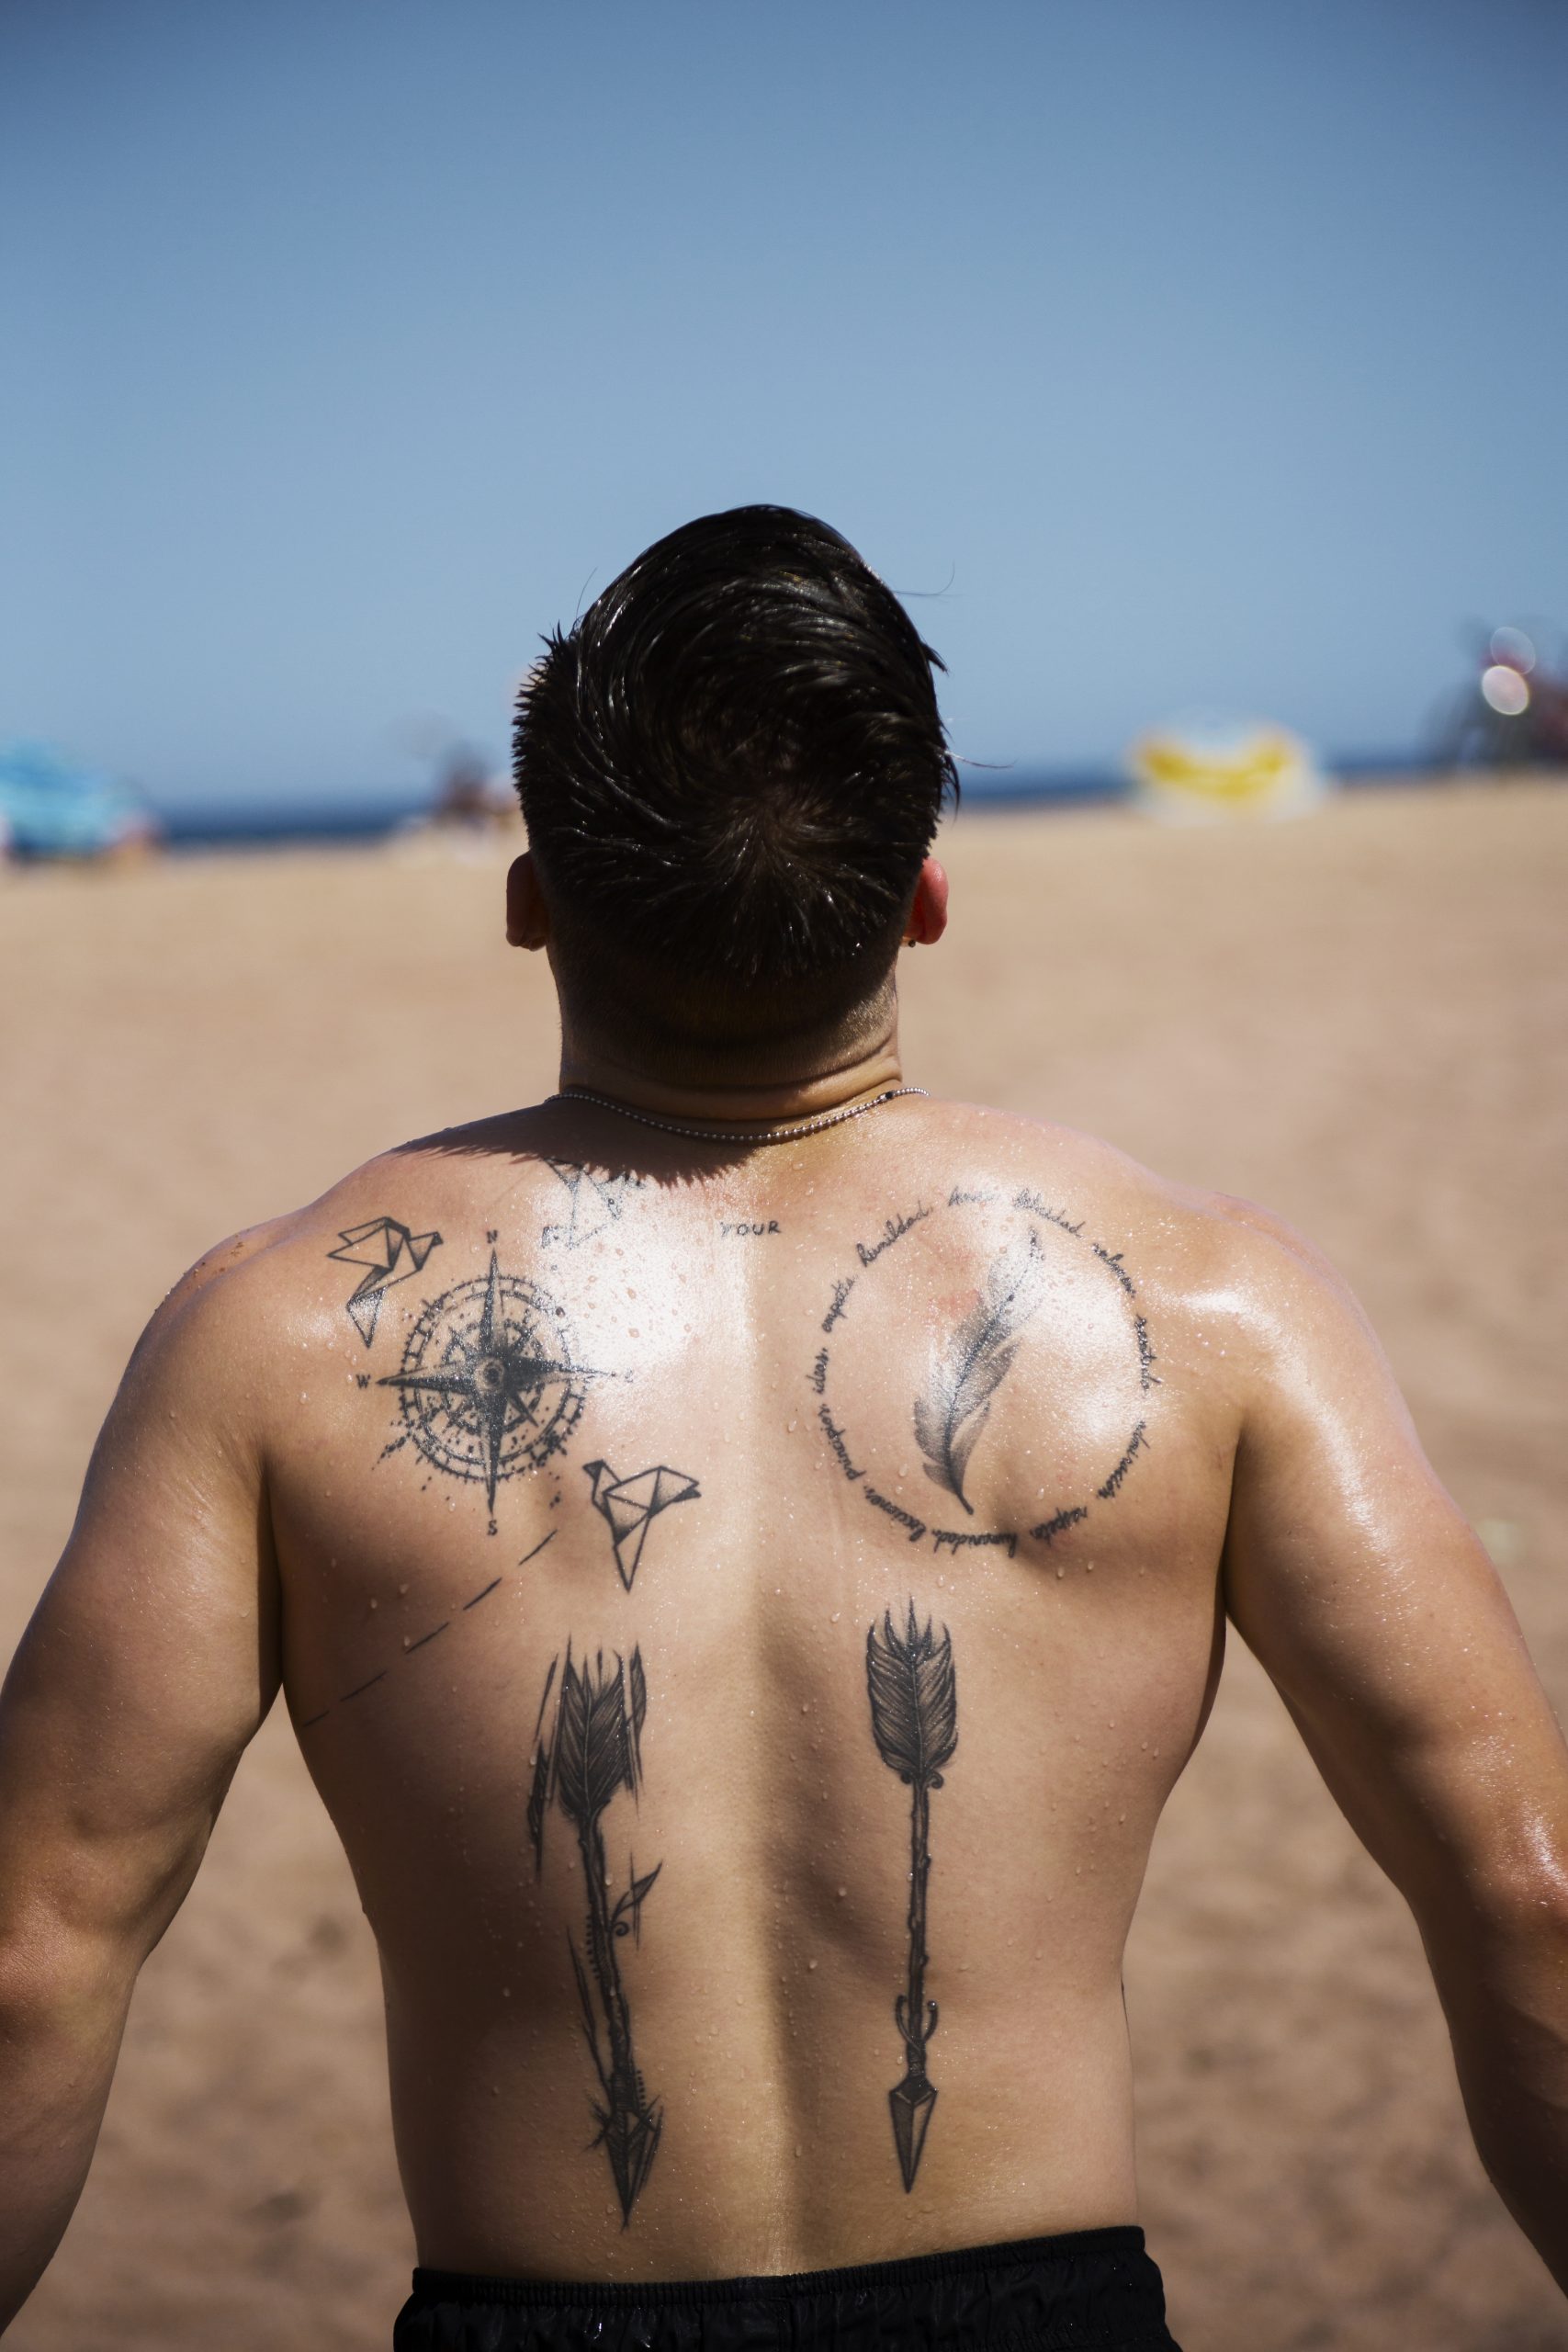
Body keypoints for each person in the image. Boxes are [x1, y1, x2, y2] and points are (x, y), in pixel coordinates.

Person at [1, 508, 1564, 2352]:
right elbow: (1523, 1895)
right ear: (923, 896)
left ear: (529, 895)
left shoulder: (273, 1335)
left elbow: (36, 1953)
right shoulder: (1215, 1309)